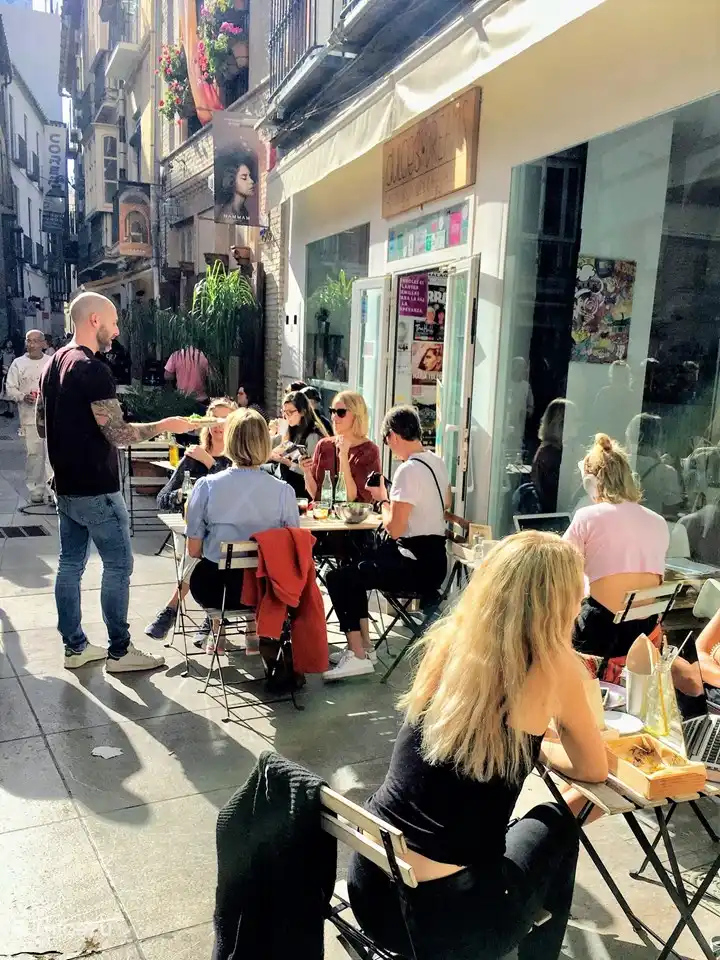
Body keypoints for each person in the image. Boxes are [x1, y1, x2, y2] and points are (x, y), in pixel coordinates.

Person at [347, 531, 608, 960]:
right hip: (449, 924)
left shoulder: (451, 644)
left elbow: (478, 738)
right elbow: (595, 770)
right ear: (559, 603)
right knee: (564, 816)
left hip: (371, 891)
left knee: (529, 826)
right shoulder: (555, 667)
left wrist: (537, 746)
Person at [37, 291, 195, 673]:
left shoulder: (52, 363)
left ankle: (75, 648)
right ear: (94, 321)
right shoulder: (93, 370)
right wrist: (166, 425)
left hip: (67, 486)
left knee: (70, 563)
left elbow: (43, 426)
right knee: (118, 566)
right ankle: (120, 653)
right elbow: (119, 435)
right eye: (114, 321)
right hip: (97, 488)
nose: (118, 329)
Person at [322, 405, 448, 681]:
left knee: (339, 578)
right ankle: (364, 649)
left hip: (414, 567)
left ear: (392, 436)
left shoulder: (407, 470)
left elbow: (394, 528)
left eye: (387, 441)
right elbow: (444, 503)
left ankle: (358, 654)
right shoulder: (436, 462)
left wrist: (383, 498)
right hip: (436, 562)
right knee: (355, 569)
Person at [186, 408, 299, 654]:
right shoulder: (284, 492)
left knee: (202, 565)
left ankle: (218, 633)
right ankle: (252, 633)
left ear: (229, 440)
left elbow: (193, 550)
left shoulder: (207, 486)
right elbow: (291, 549)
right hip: (265, 591)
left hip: (218, 590)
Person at [563, 433, 669, 675]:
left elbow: (560, 569)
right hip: (644, 637)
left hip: (598, 636)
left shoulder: (587, 516)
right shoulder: (659, 522)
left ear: (591, 482)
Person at [145, 397, 236, 643]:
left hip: (225, 536)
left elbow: (232, 495)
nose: (219, 425)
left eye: (225, 419)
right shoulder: (193, 456)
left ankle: (172, 608)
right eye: (214, 418)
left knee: (198, 549)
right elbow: (163, 499)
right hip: (194, 533)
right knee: (197, 545)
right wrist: (182, 495)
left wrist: (211, 463)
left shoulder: (239, 459)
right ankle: (212, 616)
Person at [301, 391, 380, 504]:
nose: (334, 417)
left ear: (356, 415)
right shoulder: (324, 445)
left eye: (341, 412)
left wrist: (343, 455)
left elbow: (350, 498)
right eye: (332, 411)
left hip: (353, 519)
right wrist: (307, 472)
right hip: (323, 517)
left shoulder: (369, 451)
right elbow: (316, 495)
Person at [4, 330, 51, 503]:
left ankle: (52, 490)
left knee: (51, 455)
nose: (32, 345)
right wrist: (23, 396)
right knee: (34, 454)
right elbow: (10, 388)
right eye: (29, 341)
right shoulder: (18, 363)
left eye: (36, 341)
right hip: (29, 418)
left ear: (43, 343)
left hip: (51, 416)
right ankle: (36, 489)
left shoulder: (51, 362)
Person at [268, 390, 328, 497]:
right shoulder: (294, 428)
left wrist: (287, 462)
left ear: (303, 412)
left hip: (302, 483)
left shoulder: (313, 435)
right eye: (284, 412)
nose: (286, 416)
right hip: (285, 471)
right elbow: (283, 447)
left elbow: (312, 471)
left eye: (290, 412)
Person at [625, 413, 684, 518]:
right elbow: (671, 511)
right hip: (650, 530)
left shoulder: (616, 465)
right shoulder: (667, 473)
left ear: (630, 436)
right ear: (658, 439)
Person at [531, 398, 578, 512]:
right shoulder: (551, 455)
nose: (579, 424)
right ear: (562, 423)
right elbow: (561, 496)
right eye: (576, 420)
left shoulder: (552, 450)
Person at [214, 148, 258, 225]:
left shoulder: (244, 212)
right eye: (244, 178)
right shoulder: (227, 214)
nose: (251, 181)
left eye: (250, 176)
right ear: (232, 180)